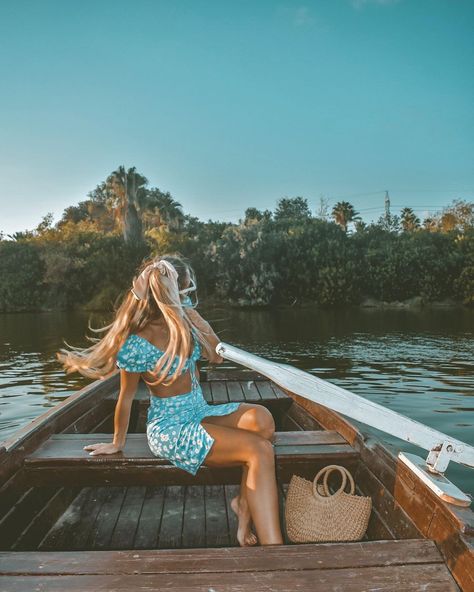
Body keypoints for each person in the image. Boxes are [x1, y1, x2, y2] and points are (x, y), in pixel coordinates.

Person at [57, 253, 284, 547]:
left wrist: (187, 311)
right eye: (175, 287)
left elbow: (215, 354)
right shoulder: (137, 341)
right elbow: (125, 398)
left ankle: (243, 502)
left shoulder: (183, 326)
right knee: (259, 450)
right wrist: (117, 443)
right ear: (160, 293)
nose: (181, 291)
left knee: (262, 420)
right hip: (170, 427)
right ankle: (274, 551)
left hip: (198, 410)